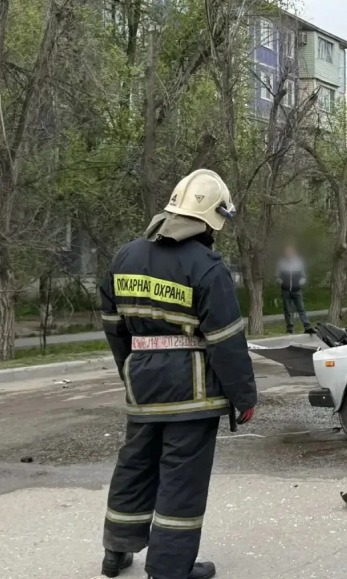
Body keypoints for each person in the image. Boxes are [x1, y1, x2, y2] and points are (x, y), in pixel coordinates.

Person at [99, 169, 257, 579]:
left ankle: (116, 551)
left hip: (143, 386)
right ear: (209, 217)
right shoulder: (206, 266)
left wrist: (130, 371)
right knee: (180, 478)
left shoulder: (125, 256)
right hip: (193, 395)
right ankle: (170, 569)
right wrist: (245, 397)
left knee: (135, 464)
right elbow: (226, 341)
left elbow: (114, 327)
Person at [276, 244, 314, 335]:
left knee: (301, 309)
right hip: (285, 290)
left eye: (291, 252)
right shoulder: (281, 263)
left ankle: (307, 327)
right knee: (287, 310)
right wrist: (282, 283)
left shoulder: (298, 263)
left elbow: (303, 277)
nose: (289, 254)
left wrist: (299, 284)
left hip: (297, 290)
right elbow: (277, 276)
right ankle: (289, 328)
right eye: (287, 252)